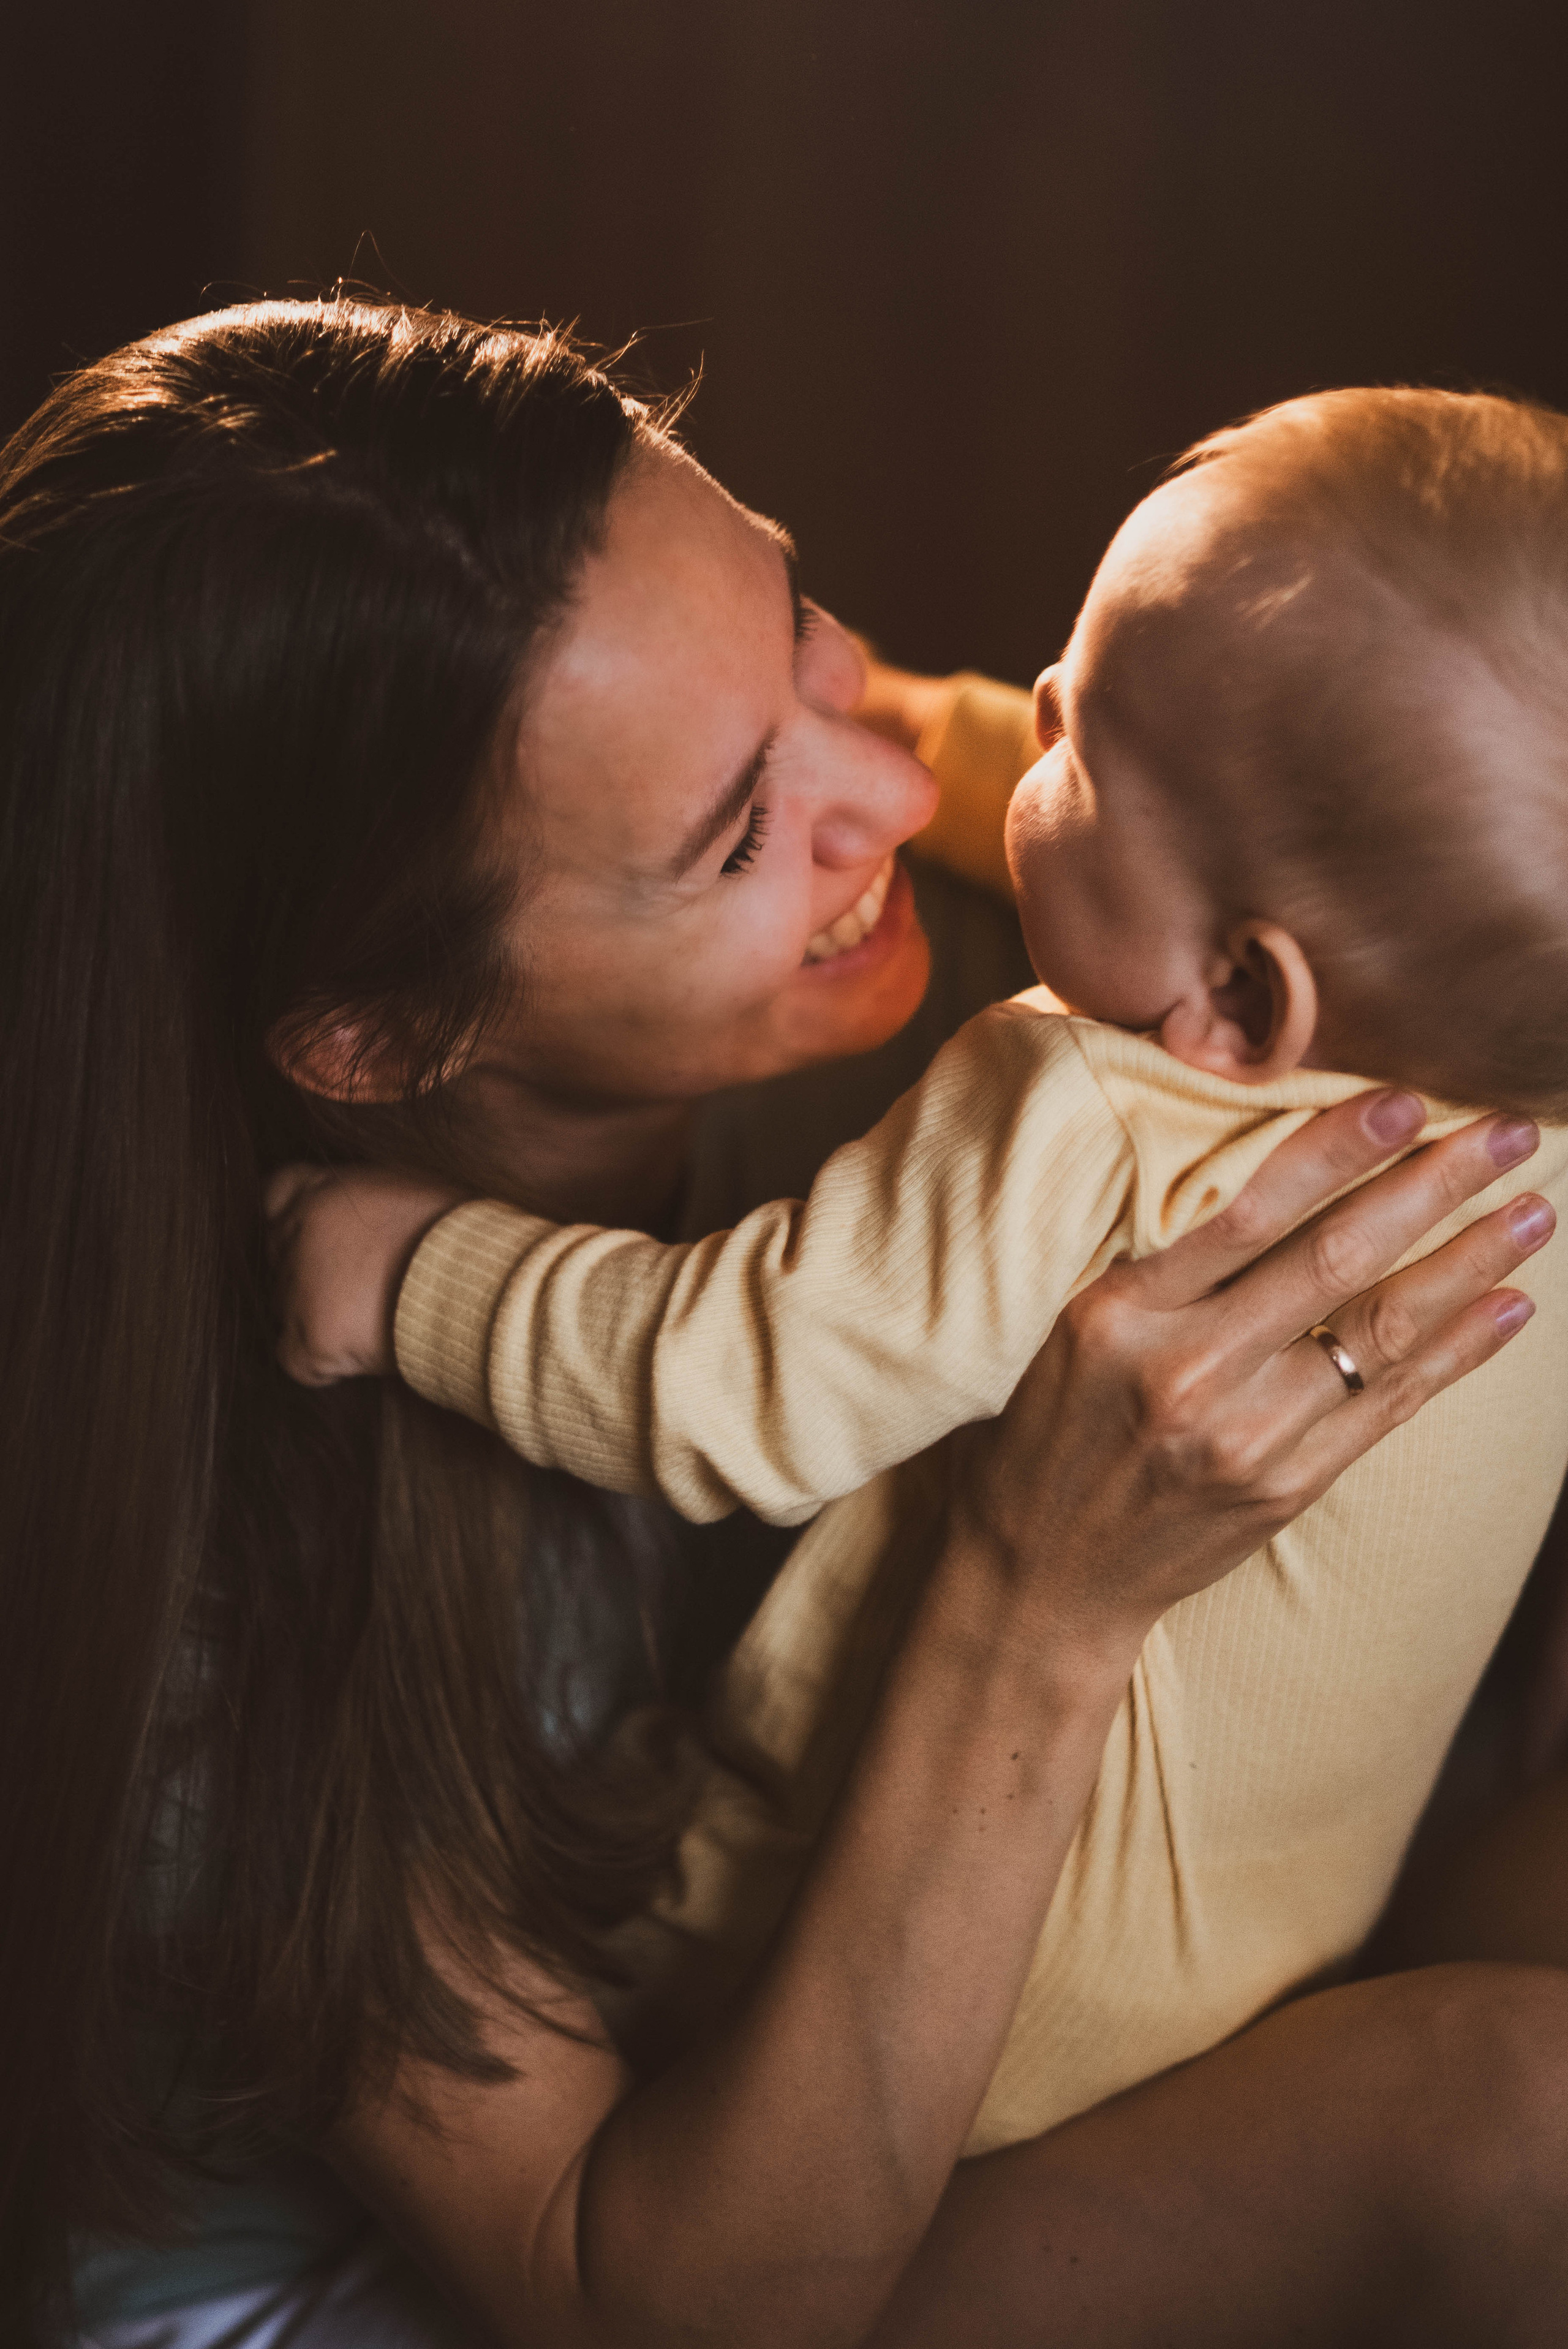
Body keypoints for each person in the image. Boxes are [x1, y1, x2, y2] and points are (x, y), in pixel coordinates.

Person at [4, 300, 1565, 2349]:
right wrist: (1037, 1592)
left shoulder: (1129, 952)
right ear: (385, 1032)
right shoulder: (204, 1554)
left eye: (806, 624)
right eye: (740, 825)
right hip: (568, 2280)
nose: (898, 778)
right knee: (1517, 2137)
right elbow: (674, 2304)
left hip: (992, 2023)